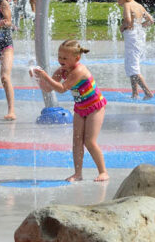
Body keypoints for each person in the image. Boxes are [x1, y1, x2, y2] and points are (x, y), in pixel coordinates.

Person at [32, 40, 108, 182]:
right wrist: (37, 78)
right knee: (77, 140)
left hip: (95, 107)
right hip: (80, 107)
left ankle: (103, 171)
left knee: (89, 141)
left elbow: (61, 89)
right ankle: (78, 173)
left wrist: (45, 76)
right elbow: (48, 88)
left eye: (65, 58)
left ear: (77, 58)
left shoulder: (79, 71)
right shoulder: (62, 70)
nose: (61, 60)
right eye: (59, 57)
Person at [114, 0, 155, 100]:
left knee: (132, 67)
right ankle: (135, 93)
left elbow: (127, 20)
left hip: (132, 38)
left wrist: (123, 27)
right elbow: (151, 20)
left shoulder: (127, 5)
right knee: (132, 65)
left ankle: (148, 92)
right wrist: (140, 26)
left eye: (118, 1)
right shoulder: (139, 5)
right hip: (139, 36)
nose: (118, 3)